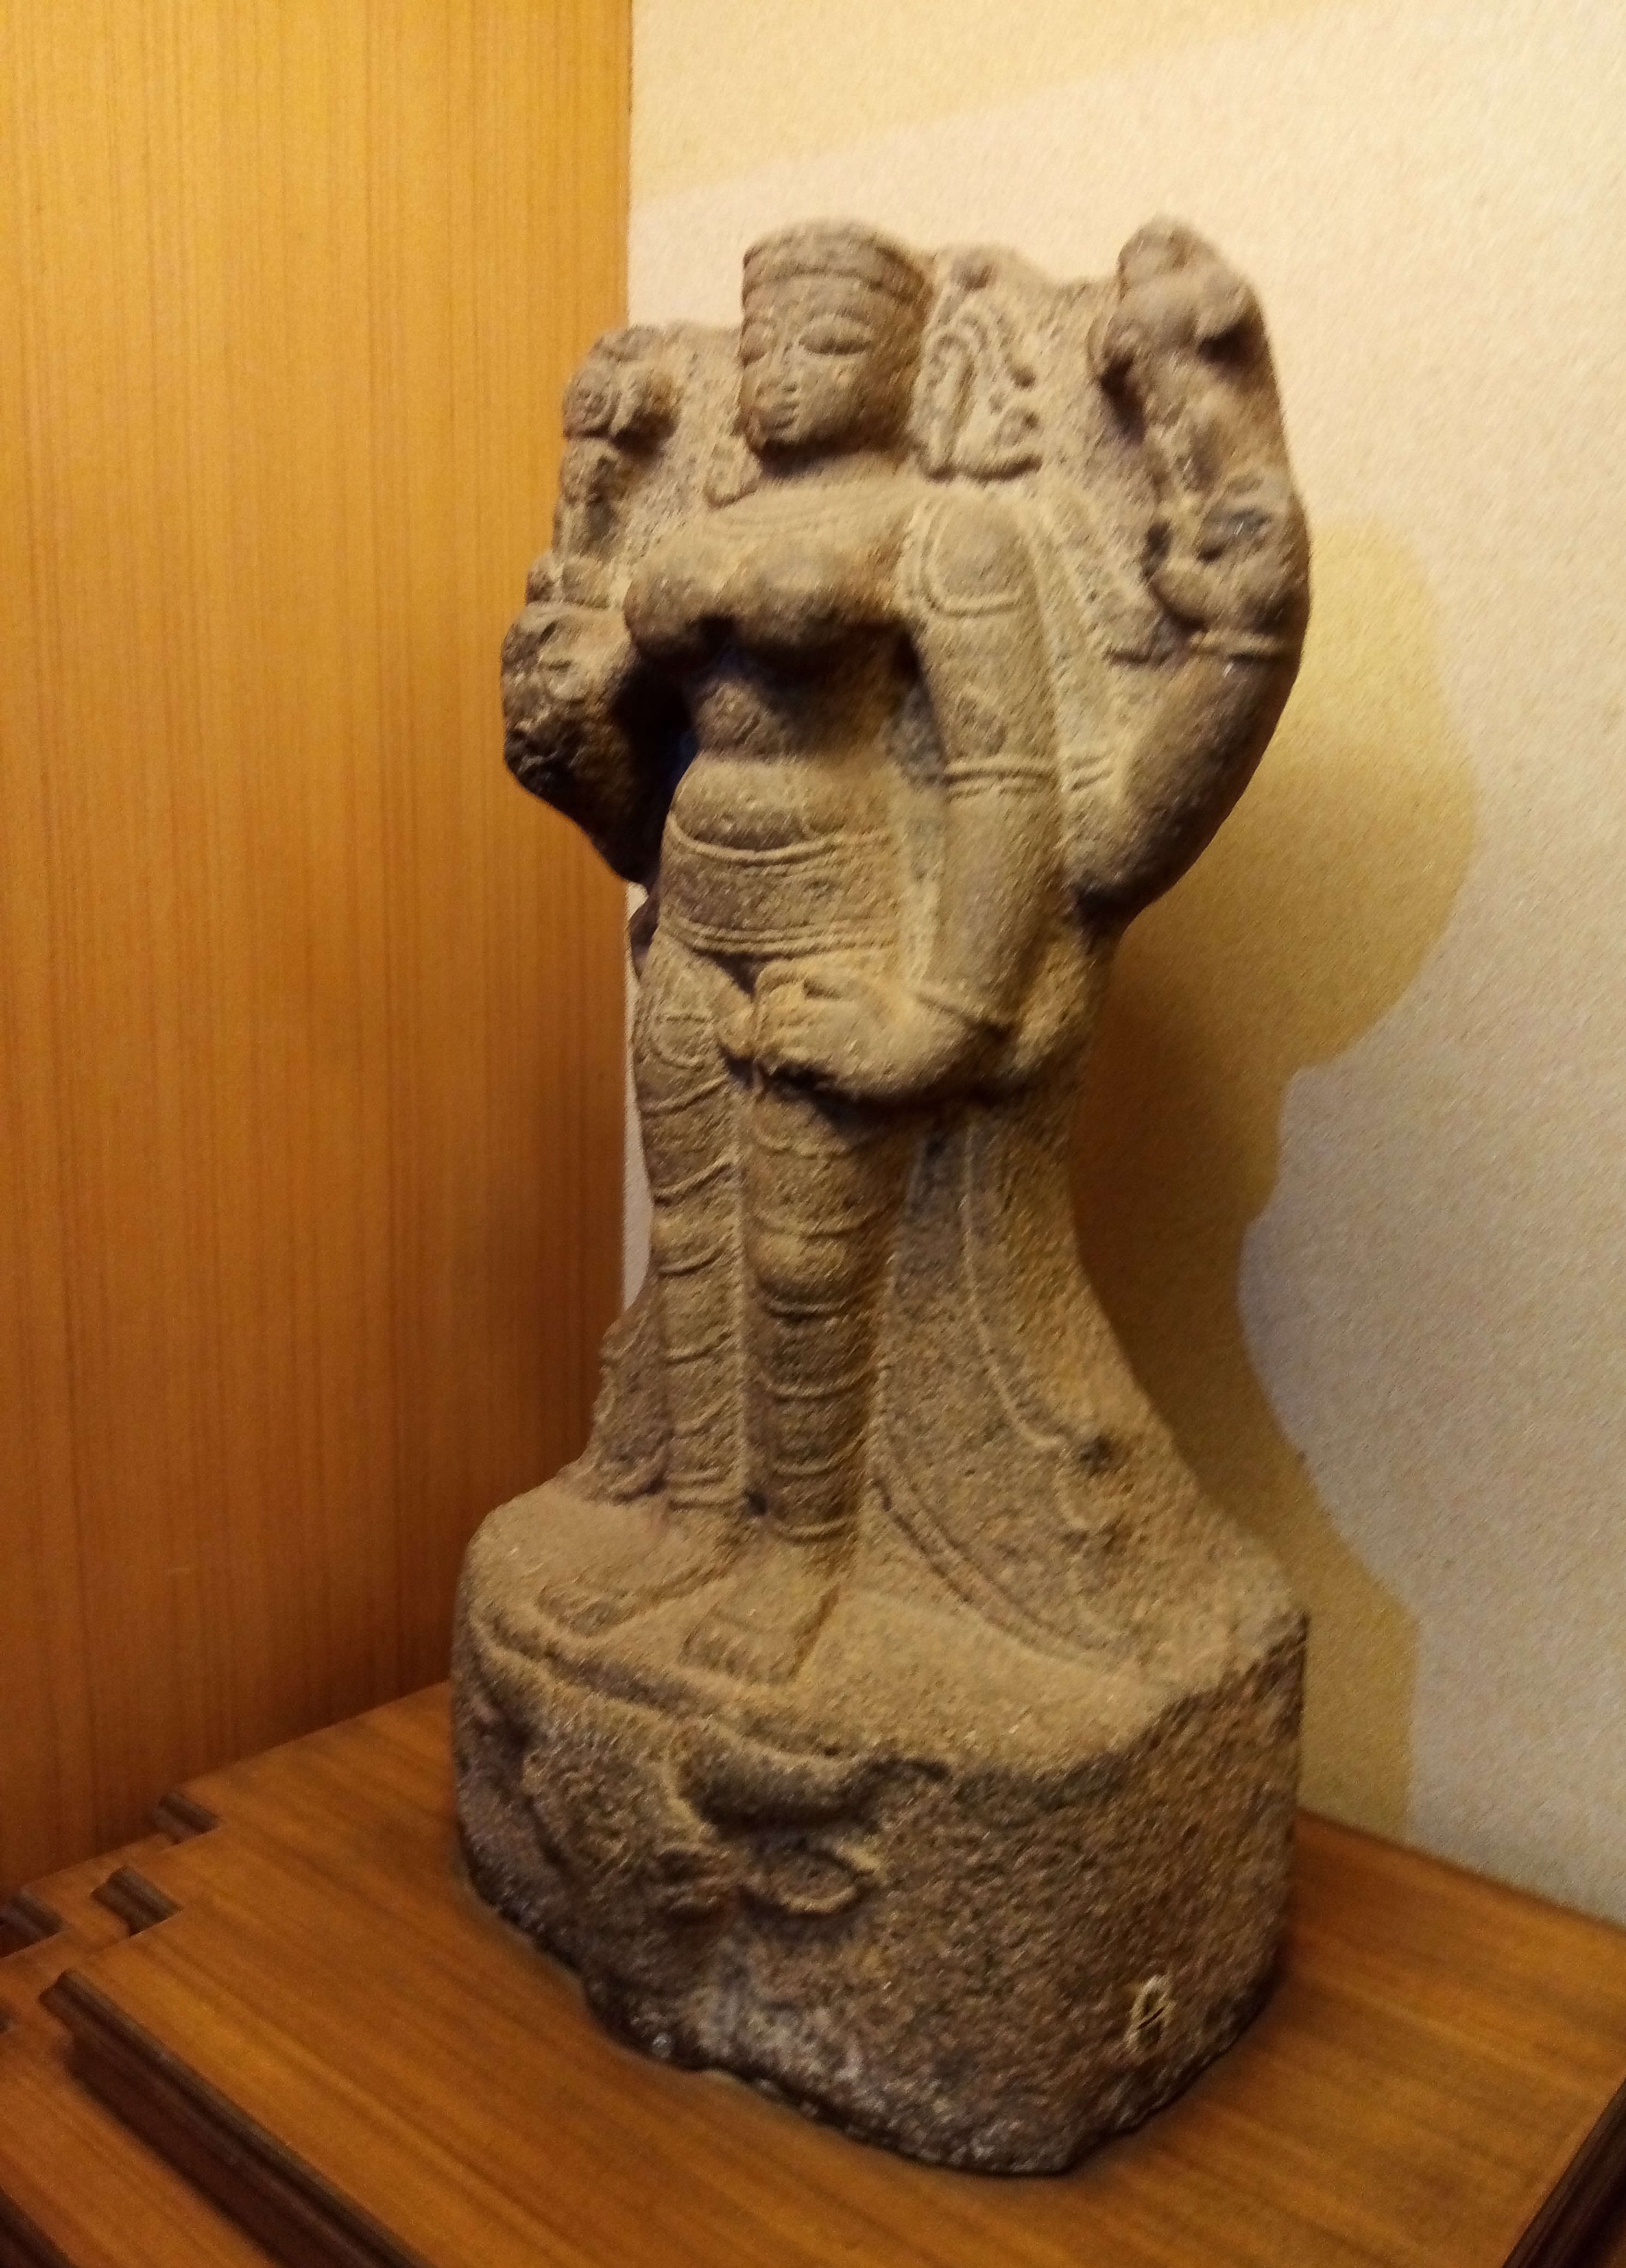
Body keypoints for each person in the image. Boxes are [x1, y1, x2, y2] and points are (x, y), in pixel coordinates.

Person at [612, 220, 1064, 1681]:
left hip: (838, 920)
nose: (785, 371)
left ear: (903, 368)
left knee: (805, 1265)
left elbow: (1007, 785)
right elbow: (626, 757)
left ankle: (803, 1551)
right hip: (694, 923)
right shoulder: (710, 521)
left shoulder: (946, 535)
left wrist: (948, 1014)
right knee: (690, 1239)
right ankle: (694, 1516)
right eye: (766, 344)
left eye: (830, 344)